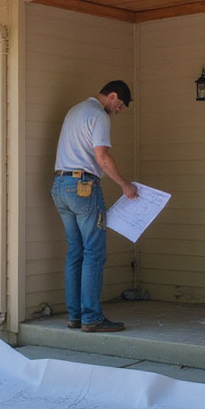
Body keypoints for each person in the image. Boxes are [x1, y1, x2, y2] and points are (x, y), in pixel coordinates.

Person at [51, 80, 138, 333]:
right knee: (93, 253)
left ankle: (75, 316)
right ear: (112, 96)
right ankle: (92, 317)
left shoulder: (75, 110)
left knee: (75, 252)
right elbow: (102, 157)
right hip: (83, 187)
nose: (118, 111)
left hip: (60, 185)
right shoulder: (99, 116)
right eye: (119, 105)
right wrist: (125, 185)